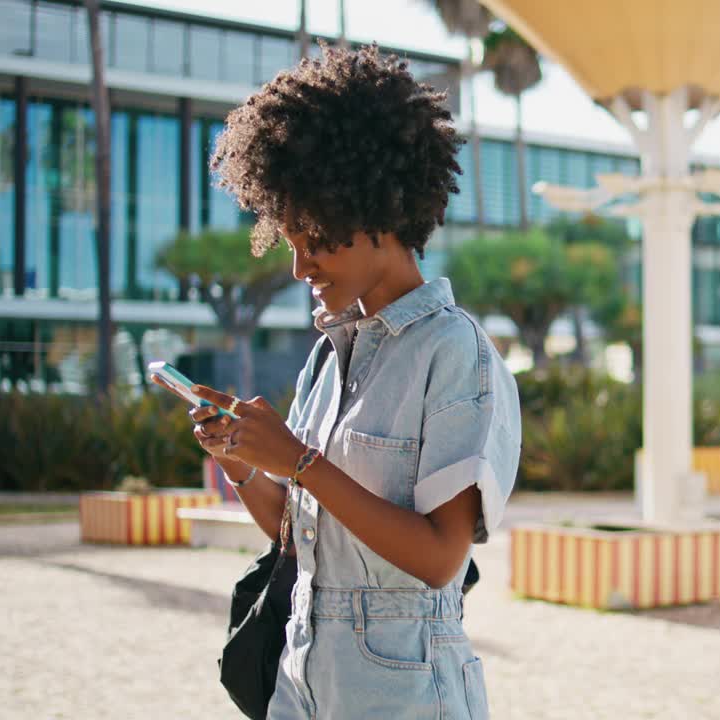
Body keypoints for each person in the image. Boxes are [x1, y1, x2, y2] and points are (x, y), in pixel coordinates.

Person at [154, 44, 520, 720]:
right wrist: (245, 464)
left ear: (373, 211)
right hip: (301, 679)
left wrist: (298, 460)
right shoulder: (330, 356)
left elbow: (440, 558)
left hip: (403, 692)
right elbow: (297, 534)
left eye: (311, 239)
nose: (298, 267)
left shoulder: (454, 352)